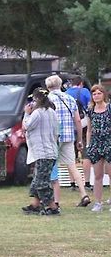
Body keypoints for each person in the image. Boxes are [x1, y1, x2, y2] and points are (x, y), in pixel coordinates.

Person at [45, 75, 90, 207]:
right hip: (69, 136)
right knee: (72, 166)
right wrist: (79, 139)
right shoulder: (69, 98)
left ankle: (56, 201)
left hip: (53, 138)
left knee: (53, 168)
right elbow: (77, 120)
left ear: (48, 87)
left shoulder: (47, 100)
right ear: (60, 85)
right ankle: (84, 194)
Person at [21, 88, 60, 216]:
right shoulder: (52, 112)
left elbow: (26, 126)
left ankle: (52, 207)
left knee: (41, 182)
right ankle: (35, 205)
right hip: (51, 151)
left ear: (37, 99)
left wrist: (27, 113)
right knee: (38, 178)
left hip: (42, 152)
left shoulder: (37, 113)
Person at [84, 84, 111, 212]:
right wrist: (89, 145)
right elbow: (89, 130)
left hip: (108, 143)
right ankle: (98, 202)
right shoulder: (90, 110)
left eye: (99, 93)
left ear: (103, 94)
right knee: (98, 175)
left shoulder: (109, 108)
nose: (96, 96)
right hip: (96, 144)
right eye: (94, 94)